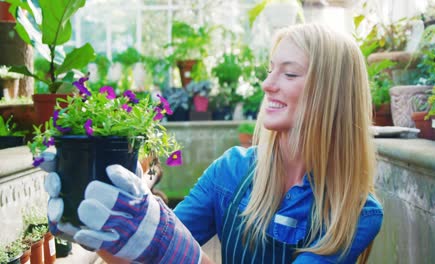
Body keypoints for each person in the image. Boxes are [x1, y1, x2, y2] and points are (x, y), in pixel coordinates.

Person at [43, 23, 383, 264]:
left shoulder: (353, 210)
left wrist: (176, 251)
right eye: (270, 70)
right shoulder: (231, 172)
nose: (267, 85)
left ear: (332, 96)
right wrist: (99, 230)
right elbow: (147, 256)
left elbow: (169, 250)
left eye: (289, 74)